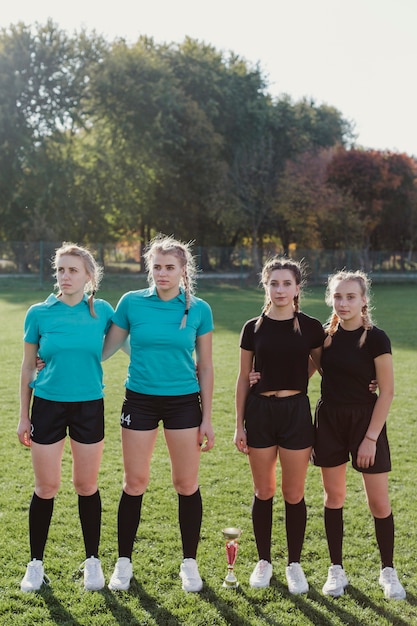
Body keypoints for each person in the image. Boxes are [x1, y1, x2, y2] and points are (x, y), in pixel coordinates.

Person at [102, 234, 214, 593]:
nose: (162, 273)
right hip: (139, 401)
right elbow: (106, 348)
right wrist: (53, 354)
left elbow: (207, 367)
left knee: (186, 484)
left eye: (170, 267)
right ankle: (123, 563)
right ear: (150, 269)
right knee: (134, 482)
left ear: (183, 270)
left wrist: (207, 416)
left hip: (184, 402)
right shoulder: (132, 303)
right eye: (157, 267)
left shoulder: (199, 308)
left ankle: (189, 563)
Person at [17, 243, 114, 592]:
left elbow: (133, 341)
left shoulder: (102, 311)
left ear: (89, 276)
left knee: (86, 486)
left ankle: (92, 561)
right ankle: (35, 564)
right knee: (46, 487)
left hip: (89, 406)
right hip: (47, 406)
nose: (65, 276)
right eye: (60, 269)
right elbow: (28, 366)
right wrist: (23, 417)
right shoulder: (38, 313)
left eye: (73, 270)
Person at [312, 270, 406, 600]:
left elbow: (388, 391)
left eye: (351, 296)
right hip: (330, 421)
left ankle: (388, 571)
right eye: (338, 296)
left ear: (364, 300)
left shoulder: (377, 338)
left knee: (379, 502)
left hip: (367, 422)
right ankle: (336, 570)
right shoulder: (323, 338)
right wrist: (258, 377)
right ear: (330, 298)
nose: (344, 302)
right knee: (334, 498)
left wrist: (370, 438)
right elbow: (305, 372)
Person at [234, 256, 325, 594]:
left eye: (287, 283)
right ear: (266, 286)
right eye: (274, 283)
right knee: (264, 491)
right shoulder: (252, 327)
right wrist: (238, 425)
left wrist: (368, 384)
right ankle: (264, 561)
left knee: (294, 492)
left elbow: (329, 367)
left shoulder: (311, 326)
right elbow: (243, 379)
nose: (280, 289)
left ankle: (294, 565)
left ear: (298, 288)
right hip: (259, 413)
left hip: (296, 413)